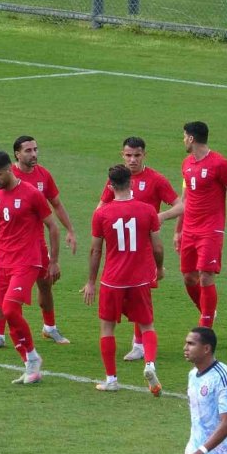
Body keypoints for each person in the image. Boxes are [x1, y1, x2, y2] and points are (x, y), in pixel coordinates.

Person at [0, 150, 61, 384]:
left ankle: (33, 358)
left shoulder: (32, 194)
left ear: (8, 170)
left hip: (27, 261)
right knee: (9, 311)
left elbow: (53, 227)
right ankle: (30, 365)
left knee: (9, 309)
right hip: (3, 261)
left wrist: (54, 260)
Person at [0, 136, 76, 349]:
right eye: (28, 150)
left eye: (35, 149)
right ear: (16, 155)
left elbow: (56, 204)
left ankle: (49, 328)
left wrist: (70, 229)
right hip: (13, 248)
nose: (34, 154)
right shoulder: (4, 176)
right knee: (4, 293)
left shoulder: (43, 175)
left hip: (37, 245)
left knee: (46, 285)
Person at [96, 137, 182, 362]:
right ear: (122, 155)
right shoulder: (117, 179)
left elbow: (180, 204)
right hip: (122, 247)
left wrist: (159, 216)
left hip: (145, 248)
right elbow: (102, 205)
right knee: (135, 295)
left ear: (145, 155)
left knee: (140, 296)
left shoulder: (156, 179)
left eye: (137, 155)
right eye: (128, 155)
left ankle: (139, 344)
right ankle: (141, 345)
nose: (132, 160)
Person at [82, 165, 164, 396]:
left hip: (112, 280)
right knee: (147, 324)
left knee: (107, 328)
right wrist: (159, 268)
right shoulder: (147, 210)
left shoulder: (101, 214)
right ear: (132, 183)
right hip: (139, 279)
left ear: (110, 186)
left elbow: (95, 251)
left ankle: (111, 379)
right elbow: (157, 246)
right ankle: (149, 364)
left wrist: (90, 281)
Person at [176, 122, 227, 328]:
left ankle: (205, 328)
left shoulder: (220, 163)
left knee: (206, 276)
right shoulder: (186, 164)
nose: (183, 140)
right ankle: (208, 311)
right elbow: (184, 201)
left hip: (211, 229)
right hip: (190, 230)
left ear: (191, 138)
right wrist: (178, 231)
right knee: (188, 277)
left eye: (185, 136)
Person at [183, 327, 227, 454]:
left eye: (191, 344)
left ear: (206, 349)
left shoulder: (223, 378)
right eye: (186, 343)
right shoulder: (193, 375)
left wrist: (200, 452)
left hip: (223, 452)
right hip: (197, 448)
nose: (185, 348)